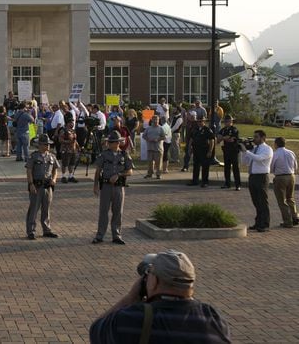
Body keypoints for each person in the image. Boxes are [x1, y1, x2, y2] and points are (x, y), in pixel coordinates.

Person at [89, 250, 232, 343]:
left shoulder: (131, 319)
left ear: (154, 281)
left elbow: (96, 332)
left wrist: (130, 298)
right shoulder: (213, 318)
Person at [92, 131, 134, 245]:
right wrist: (95, 186)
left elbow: (130, 171)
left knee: (118, 212)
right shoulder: (104, 155)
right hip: (106, 186)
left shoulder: (124, 155)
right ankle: (100, 235)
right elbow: (98, 171)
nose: (109, 144)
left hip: (119, 187)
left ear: (117, 143)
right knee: (103, 211)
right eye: (109, 142)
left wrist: (119, 175)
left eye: (111, 142)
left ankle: (116, 235)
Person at [25, 134, 60, 240]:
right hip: (37, 186)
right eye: (45, 144)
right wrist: (31, 184)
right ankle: (31, 231)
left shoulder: (51, 156)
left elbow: (55, 170)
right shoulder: (34, 156)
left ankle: (47, 230)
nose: (48, 146)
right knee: (34, 209)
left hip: (48, 186)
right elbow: (29, 170)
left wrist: (54, 179)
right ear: (40, 145)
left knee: (46, 209)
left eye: (49, 144)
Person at [242, 129, 273, 232]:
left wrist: (247, 151)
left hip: (262, 176)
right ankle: (258, 222)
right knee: (255, 201)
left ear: (263, 138)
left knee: (262, 201)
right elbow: (245, 162)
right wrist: (243, 152)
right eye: (254, 136)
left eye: (256, 137)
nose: (254, 139)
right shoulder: (254, 149)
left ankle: (264, 224)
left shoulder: (267, 149)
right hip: (253, 176)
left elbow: (259, 159)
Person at [270, 137, 298, 228]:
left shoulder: (275, 154)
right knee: (290, 198)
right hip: (291, 175)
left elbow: (272, 167)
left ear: (276, 144)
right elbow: (295, 166)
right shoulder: (291, 152)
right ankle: (295, 217)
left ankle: (287, 221)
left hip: (280, 177)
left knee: (282, 201)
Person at [187, 115, 214, 187]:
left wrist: (210, 151)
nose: (199, 122)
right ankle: (195, 181)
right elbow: (191, 139)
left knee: (205, 166)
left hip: (204, 150)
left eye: (201, 121)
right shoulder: (195, 129)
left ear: (204, 121)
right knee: (196, 166)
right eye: (198, 121)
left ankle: (205, 182)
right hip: (196, 150)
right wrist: (189, 148)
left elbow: (212, 140)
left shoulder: (207, 130)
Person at [218, 115, 241, 190]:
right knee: (227, 168)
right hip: (226, 151)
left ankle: (238, 185)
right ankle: (227, 183)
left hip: (234, 151)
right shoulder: (223, 129)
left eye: (228, 121)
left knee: (235, 168)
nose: (227, 123)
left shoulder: (234, 129)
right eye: (225, 121)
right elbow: (218, 138)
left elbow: (231, 139)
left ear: (231, 122)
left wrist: (223, 138)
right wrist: (225, 138)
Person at [143, 115, 164, 180]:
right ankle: (149, 174)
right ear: (151, 120)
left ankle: (158, 174)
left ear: (158, 120)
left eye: (157, 119)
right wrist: (148, 139)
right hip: (150, 148)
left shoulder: (161, 128)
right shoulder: (148, 128)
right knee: (150, 162)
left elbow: (163, 137)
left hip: (158, 148)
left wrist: (157, 139)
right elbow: (144, 136)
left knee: (158, 162)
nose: (155, 121)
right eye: (154, 119)